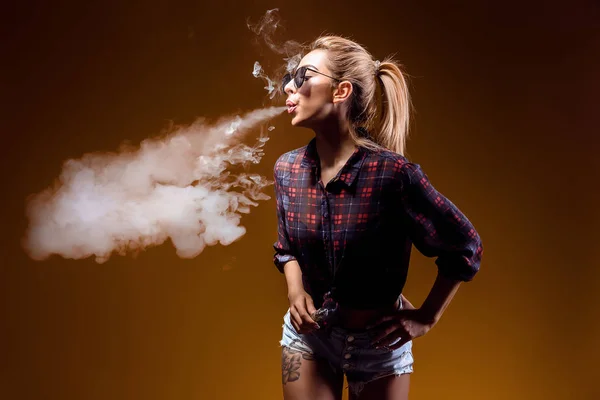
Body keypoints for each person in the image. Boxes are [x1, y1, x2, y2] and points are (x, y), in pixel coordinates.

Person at [272, 35, 483, 400]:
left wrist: (427, 316)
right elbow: (286, 247)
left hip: (379, 347)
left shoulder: (394, 175)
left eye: (304, 75)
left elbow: (464, 247)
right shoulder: (287, 169)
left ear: (341, 92)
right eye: (290, 76)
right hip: (310, 339)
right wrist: (296, 290)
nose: (290, 86)